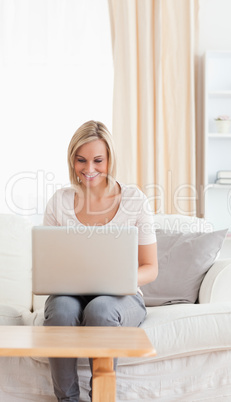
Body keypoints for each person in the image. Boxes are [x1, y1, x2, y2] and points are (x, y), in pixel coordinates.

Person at [43, 120, 158, 401]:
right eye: (81, 160)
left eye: (98, 160)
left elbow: (150, 268)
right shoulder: (60, 201)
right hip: (71, 292)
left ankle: (102, 398)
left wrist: (118, 280)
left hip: (120, 296)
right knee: (60, 310)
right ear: (72, 160)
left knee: (101, 310)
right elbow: (47, 264)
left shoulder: (134, 200)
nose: (89, 169)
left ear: (110, 159)